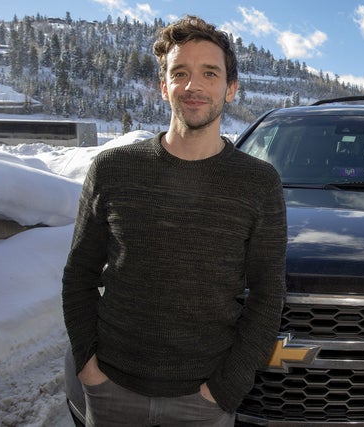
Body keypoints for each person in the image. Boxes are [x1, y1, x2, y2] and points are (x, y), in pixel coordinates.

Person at [62, 15, 287, 426]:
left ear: (231, 89)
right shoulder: (113, 169)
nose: (193, 85)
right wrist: (87, 367)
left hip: (203, 400)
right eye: (179, 73)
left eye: (209, 73)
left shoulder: (258, 183)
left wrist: (224, 389)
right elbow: (79, 273)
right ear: (164, 87)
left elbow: (268, 294)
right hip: (111, 390)